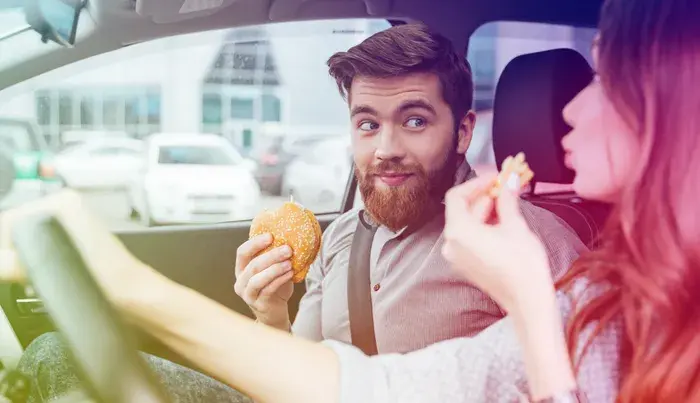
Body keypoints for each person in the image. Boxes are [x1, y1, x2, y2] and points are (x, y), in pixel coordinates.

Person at [11, 24, 586, 402]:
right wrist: (270, 313)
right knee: (56, 353)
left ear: (463, 131)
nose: (385, 147)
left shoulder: (528, 245)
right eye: (367, 124)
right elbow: (295, 370)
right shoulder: (339, 239)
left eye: (414, 120)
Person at [440, 0, 700, 401]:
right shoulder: (605, 290)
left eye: (604, 79)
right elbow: (442, 376)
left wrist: (529, 308)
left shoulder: (560, 268)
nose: (571, 109)